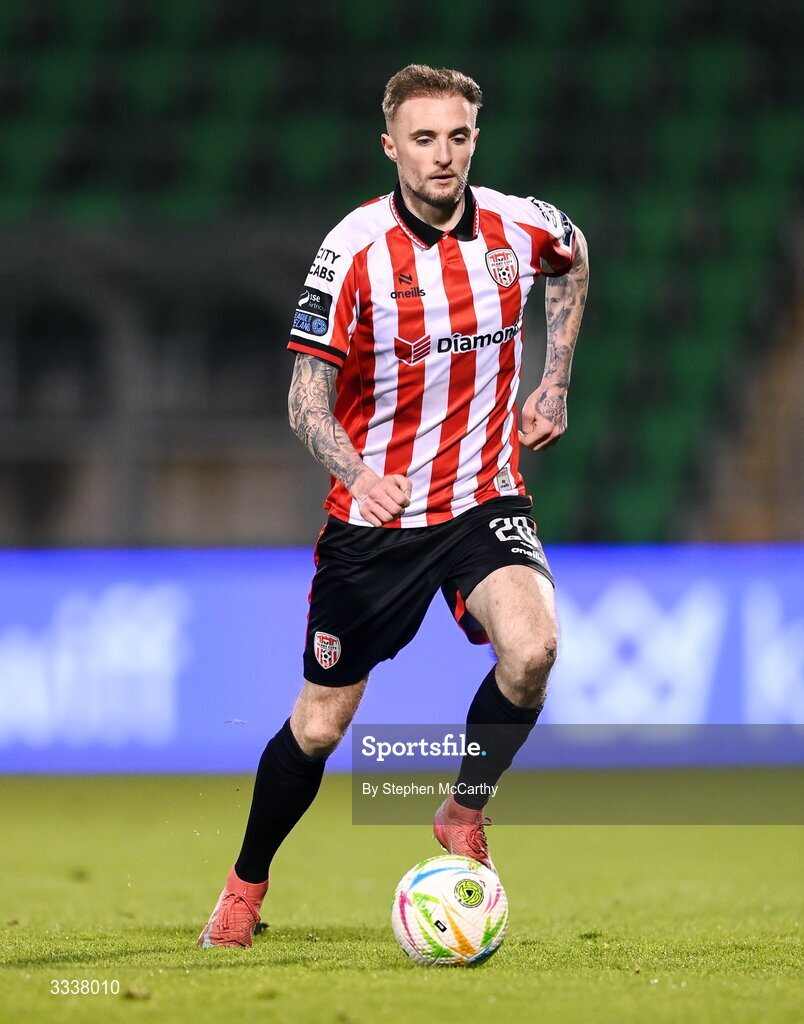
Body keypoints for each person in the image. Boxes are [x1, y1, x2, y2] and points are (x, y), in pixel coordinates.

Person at [198, 64, 589, 948]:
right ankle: (245, 885)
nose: (441, 155)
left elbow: (574, 253)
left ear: (474, 139)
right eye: (423, 139)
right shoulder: (354, 251)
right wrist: (358, 469)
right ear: (391, 147)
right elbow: (305, 393)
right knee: (321, 723)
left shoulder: (519, 225)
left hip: (483, 496)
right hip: (375, 524)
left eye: (457, 136)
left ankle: (461, 810)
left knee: (534, 649)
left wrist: (555, 379)